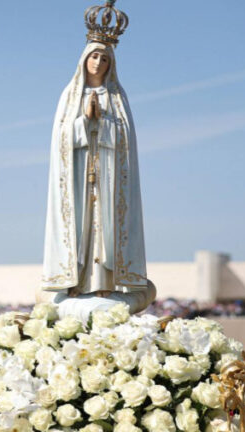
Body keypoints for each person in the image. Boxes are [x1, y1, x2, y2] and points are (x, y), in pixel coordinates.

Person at [41, 1, 155, 321]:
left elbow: (124, 139)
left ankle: (105, 283)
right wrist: (84, 122)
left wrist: (101, 124)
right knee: (79, 225)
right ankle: (76, 282)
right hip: (78, 176)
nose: (98, 62)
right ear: (84, 59)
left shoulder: (116, 97)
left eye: (104, 58)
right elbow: (61, 139)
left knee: (104, 225)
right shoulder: (70, 95)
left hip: (107, 176)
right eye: (94, 56)